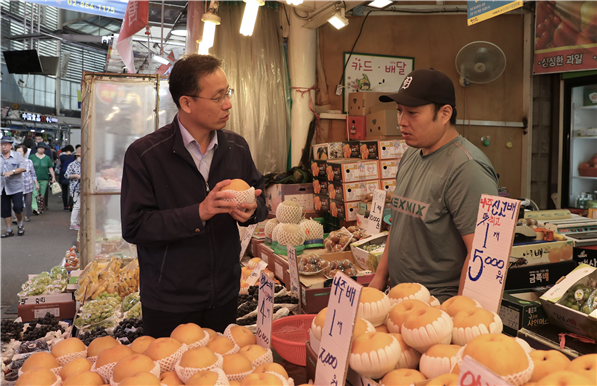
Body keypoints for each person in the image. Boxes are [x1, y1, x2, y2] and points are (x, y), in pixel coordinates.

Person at [121, 54, 267, 338]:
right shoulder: (145, 155)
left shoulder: (236, 147)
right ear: (186, 103)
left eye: (228, 93)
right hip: (169, 301)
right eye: (218, 97)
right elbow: (135, 226)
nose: (228, 104)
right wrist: (199, 212)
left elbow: (260, 198)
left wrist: (253, 209)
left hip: (224, 295)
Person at [368, 69, 499, 303]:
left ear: (445, 113)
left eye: (412, 113)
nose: (401, 122)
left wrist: (458, 316)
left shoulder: (467, 168)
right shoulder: (411, 155)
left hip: (438, 307)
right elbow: (398, 223)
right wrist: (379, 278)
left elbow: (482, 255)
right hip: (400, 301)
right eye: (399, 112)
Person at [1, 136, 27, 237]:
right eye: (1, 145)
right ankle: (9, 229)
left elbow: (23, 168)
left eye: (5, 145)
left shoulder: (17, 155)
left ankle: (20, 224)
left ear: (11, 146)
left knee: (18, 207)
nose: (3, 147)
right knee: (5, 209)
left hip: (16, 187)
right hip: (2, 187)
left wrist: (12, 171)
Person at [29, 141, 55, 210]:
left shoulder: (47, 158)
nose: (41, 149)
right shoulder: (31, 157)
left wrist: (53, 177)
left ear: (45, 149)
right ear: (37, 149)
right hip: (33, 179)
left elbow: (50, 168)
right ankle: (34, 208)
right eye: (39, 148)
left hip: (44, 179)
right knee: (34, 193)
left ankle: (40, 206)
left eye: (43, 148)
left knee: (41, 194)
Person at [15, 145, 38, 222]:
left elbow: (33, 173)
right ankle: (16, 217)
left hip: (28, 185)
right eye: (17, 152)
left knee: (28, 202)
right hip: (17, 185)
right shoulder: (13, 162)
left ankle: (27, 215)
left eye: (20, 152)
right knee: (16, 202)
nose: (18, 153)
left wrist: (36, 183)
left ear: (24, 153)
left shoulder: (29, 162)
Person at [64, 147, 82, 230]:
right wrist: (76, 176)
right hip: (76, 188)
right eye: (79, 156)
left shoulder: (87, 164)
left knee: (82, 207)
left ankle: (78, 222)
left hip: (85, 188)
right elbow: (66, 175)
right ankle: (73, 223)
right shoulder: (72, 164)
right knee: (77, 206)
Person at [59, 145, 75, 210]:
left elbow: (58, 165)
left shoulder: (61, 157)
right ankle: (70, 205)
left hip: (63, 174)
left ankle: (65, 205)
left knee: (64, 191)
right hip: (72, 174)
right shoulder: (74, 157)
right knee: (72, 190)